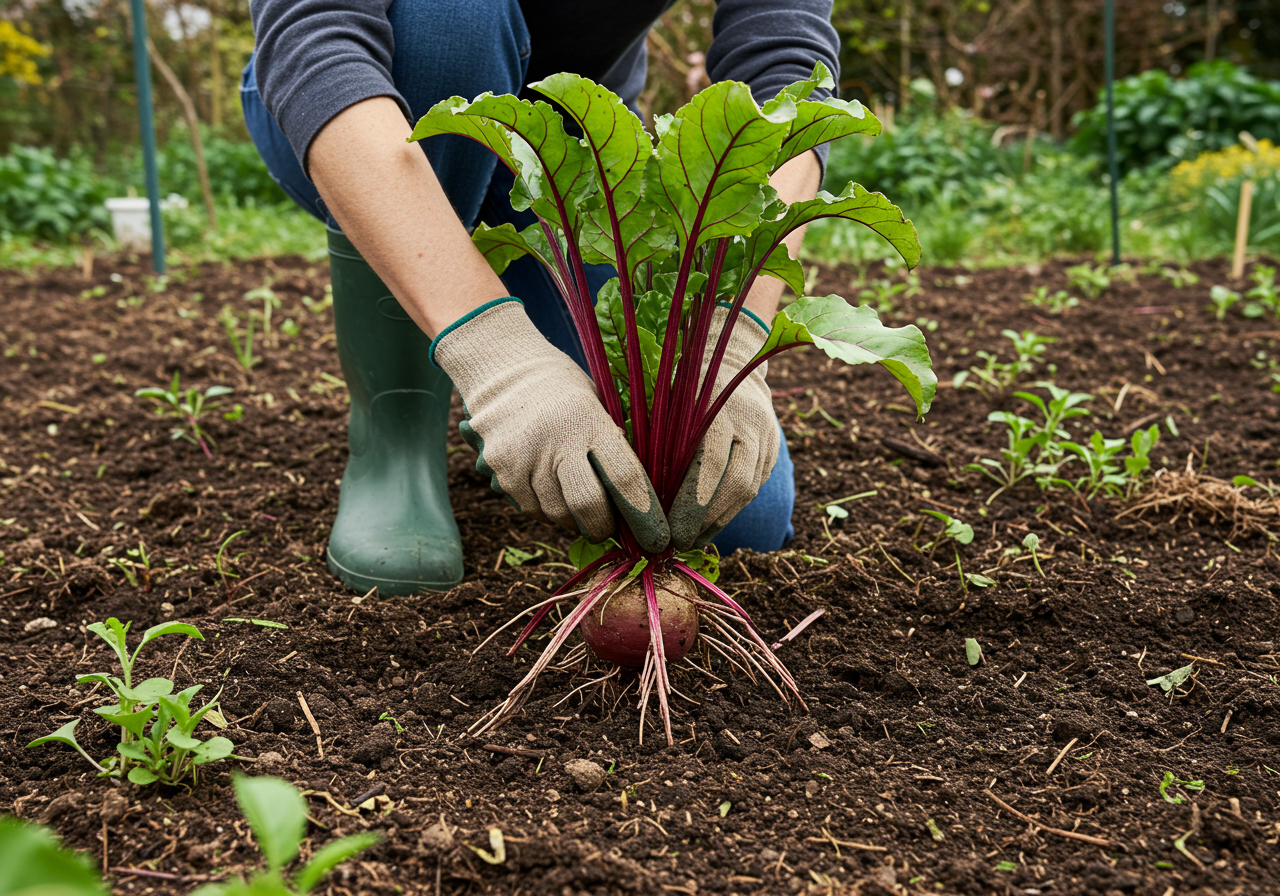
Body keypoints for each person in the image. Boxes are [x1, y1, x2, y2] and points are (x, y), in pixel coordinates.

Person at [242, 0, 841, 595]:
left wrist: (732, 327)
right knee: (453, 19)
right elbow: (317, 36)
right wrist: (500, 360)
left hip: (568, 168)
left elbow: (787, 65)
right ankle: (393, 435)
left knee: (740, 515)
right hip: (372, 107)